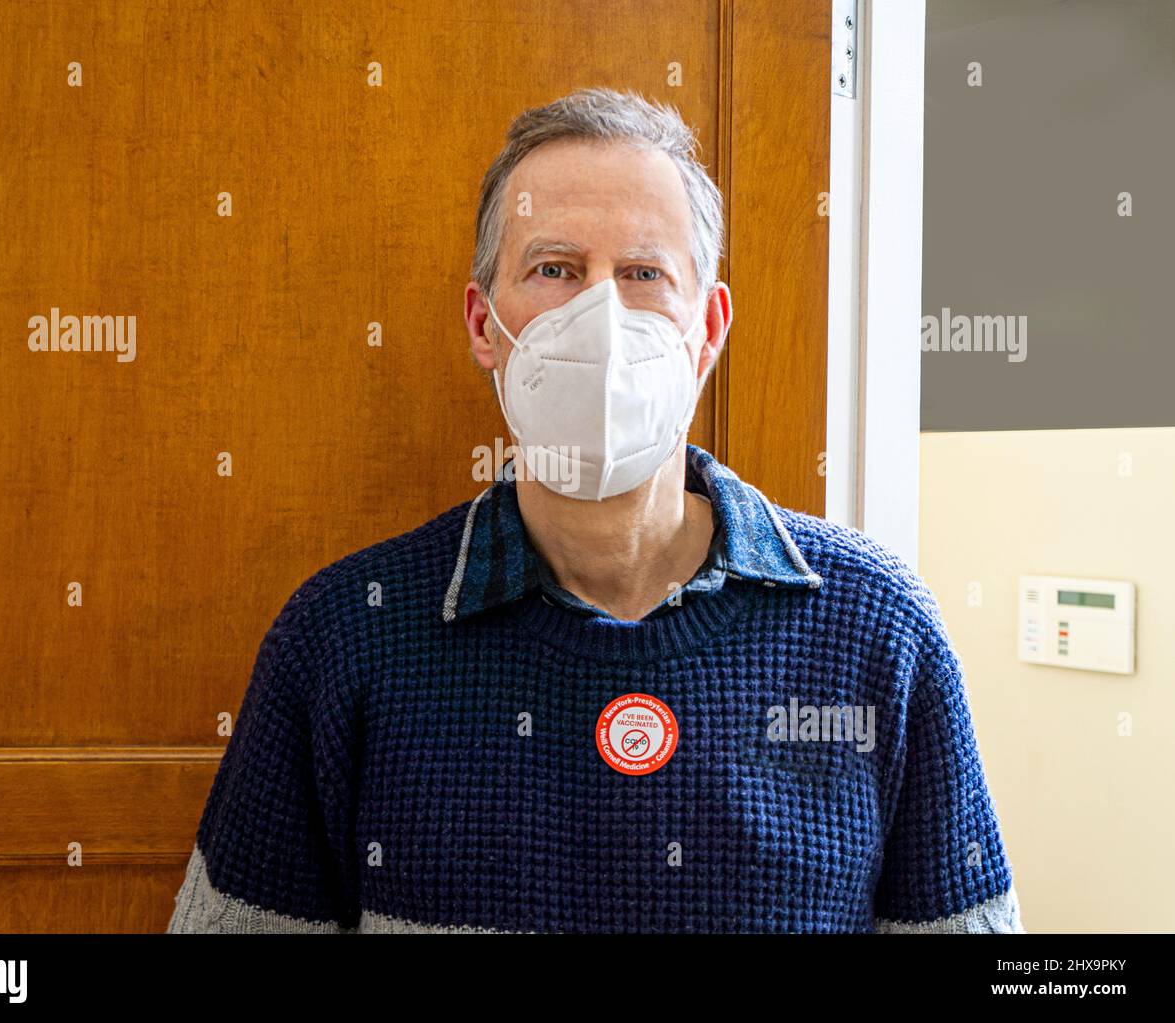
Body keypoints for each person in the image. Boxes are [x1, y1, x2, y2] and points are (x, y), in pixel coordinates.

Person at [166, 87, 1023, 934]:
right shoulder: (345, 635)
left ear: (708, 327)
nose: (600, 317)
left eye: (645, 273)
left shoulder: (877, 628)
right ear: (483, 323)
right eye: (555, 269)